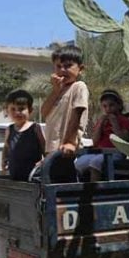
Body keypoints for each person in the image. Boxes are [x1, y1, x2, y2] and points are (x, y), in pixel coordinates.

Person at [40, 45, 89, 183]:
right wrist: (55, 91)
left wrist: (70, 142)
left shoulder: (78, 87)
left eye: (68, 66)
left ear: (80, 69)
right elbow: (44, 112)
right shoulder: (58, 92)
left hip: (67, 151)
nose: (62, 70)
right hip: (52, 151)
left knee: (65, 187)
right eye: (58, 66)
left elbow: (78, 112)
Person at [75, 89, 129, 182]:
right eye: (105, 106)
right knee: (79, 162)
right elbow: (94, 141)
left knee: (95, 163)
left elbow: (124, 139)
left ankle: (95, 187)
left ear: (119, 106)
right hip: (99, 152)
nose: (108, 109)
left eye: (111, 105)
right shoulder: (101, 121)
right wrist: (100, 124)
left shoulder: (124, 120)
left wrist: (115, 124)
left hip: (116, 153)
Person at [2, 89, 45, 181]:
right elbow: (6, 147)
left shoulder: (35, 128)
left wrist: (43, 162)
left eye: (21, 109)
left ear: (30, 110)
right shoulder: (9, 129)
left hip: (32, 176)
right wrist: (4, 161)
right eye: (13, 109)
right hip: (14, 176)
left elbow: (45, 148)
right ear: (7, 111)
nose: (17, 112)